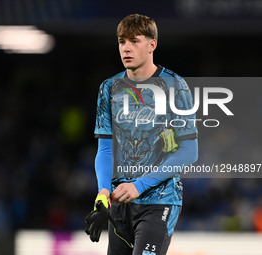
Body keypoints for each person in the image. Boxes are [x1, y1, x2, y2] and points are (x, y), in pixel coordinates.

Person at [85, 14, 199, 255]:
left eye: (134, 41)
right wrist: (103, 191)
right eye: (121, 41)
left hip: (159, 201)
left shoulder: (175, 86)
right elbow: (105, 149)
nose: (126, 48)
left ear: (152, 45)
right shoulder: (108, 88)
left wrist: (139, 185)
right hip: (120, 204)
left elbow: (189, 151)